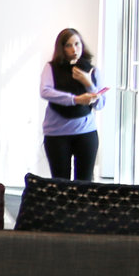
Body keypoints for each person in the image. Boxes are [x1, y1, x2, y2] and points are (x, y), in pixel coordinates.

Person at [39, 27, 101, 182]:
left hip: (86, 132)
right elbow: (45, 91)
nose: (74, 49)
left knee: (84, 182)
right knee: (61, 182)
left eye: (77, 44)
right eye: (68, 45)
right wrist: (75, 99)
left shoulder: (91, 70)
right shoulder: (51, 68)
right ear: (62, 48)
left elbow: (100, 104)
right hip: (57, 134)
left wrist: (88, 83)